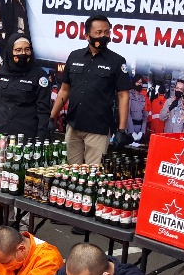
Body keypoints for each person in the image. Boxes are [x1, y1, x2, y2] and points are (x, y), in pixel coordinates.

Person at [50, 14, 133, 165]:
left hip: (98, 129)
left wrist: (122, 130)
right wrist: (52, 117)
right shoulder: (75, 56)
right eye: (98, 32)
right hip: (73, 126)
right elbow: (64, 90)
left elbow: (123, 96)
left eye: (106, 32)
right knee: (69, 172)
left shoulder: (117, 61)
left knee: (92, 175)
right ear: (87, 35)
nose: (103, 36)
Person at [0, 32, 51, 139]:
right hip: (1, 134)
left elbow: (43, 111)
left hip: (26, 137)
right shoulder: (1, 72)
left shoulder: (39, 75)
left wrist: (40, 139)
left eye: (27, 49)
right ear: (10, 51)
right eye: (18, 50)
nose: (23, 53)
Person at [126, 78, 148, 143]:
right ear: (134, 83)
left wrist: (142, 131)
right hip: (130, 128)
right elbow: (127, 113)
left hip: (139, 129)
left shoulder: (143, 97)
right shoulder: (129, 95)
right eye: (137, 82)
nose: (139, 84)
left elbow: (145, 115)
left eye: (140, 82)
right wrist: (131, 131)